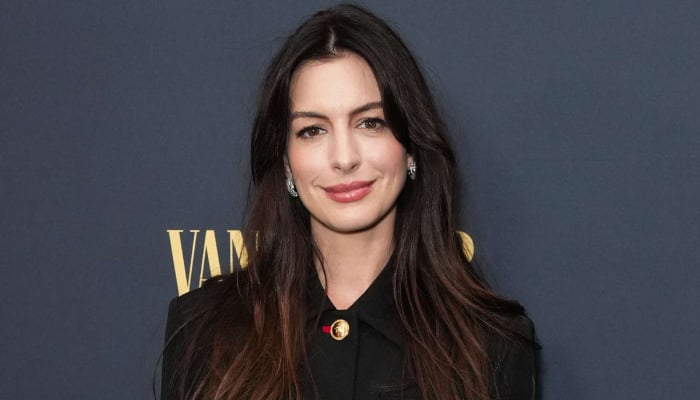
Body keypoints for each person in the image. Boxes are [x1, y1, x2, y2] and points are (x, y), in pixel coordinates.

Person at [161, 4, 537, 400]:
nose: (344, 158)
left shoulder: (492, 345)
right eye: (313, 130)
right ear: (286, 161)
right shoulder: (203, 329)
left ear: (411, 146)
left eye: (370, 123)